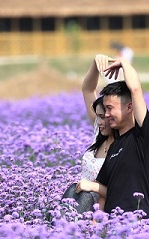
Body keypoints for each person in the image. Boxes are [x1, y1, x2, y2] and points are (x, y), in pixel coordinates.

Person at [75, 54, 149, 218]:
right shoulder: (114, 146)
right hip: (111, 223)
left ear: (129, 107)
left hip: (134, 223)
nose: (105, 115)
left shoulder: (142, 138)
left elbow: (135, 90)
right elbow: (104, 192)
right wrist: (95, 225)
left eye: (109, 109)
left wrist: (124, 63)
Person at [61, 55, 117, 214]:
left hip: (103, 213)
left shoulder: (123, 146)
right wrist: (95, 62)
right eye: (97, 116)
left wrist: (93, 187)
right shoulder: (99, 132)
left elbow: (122, 193)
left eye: (103, 117)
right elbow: (87, 89)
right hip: (80, 202)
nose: (99, 122)